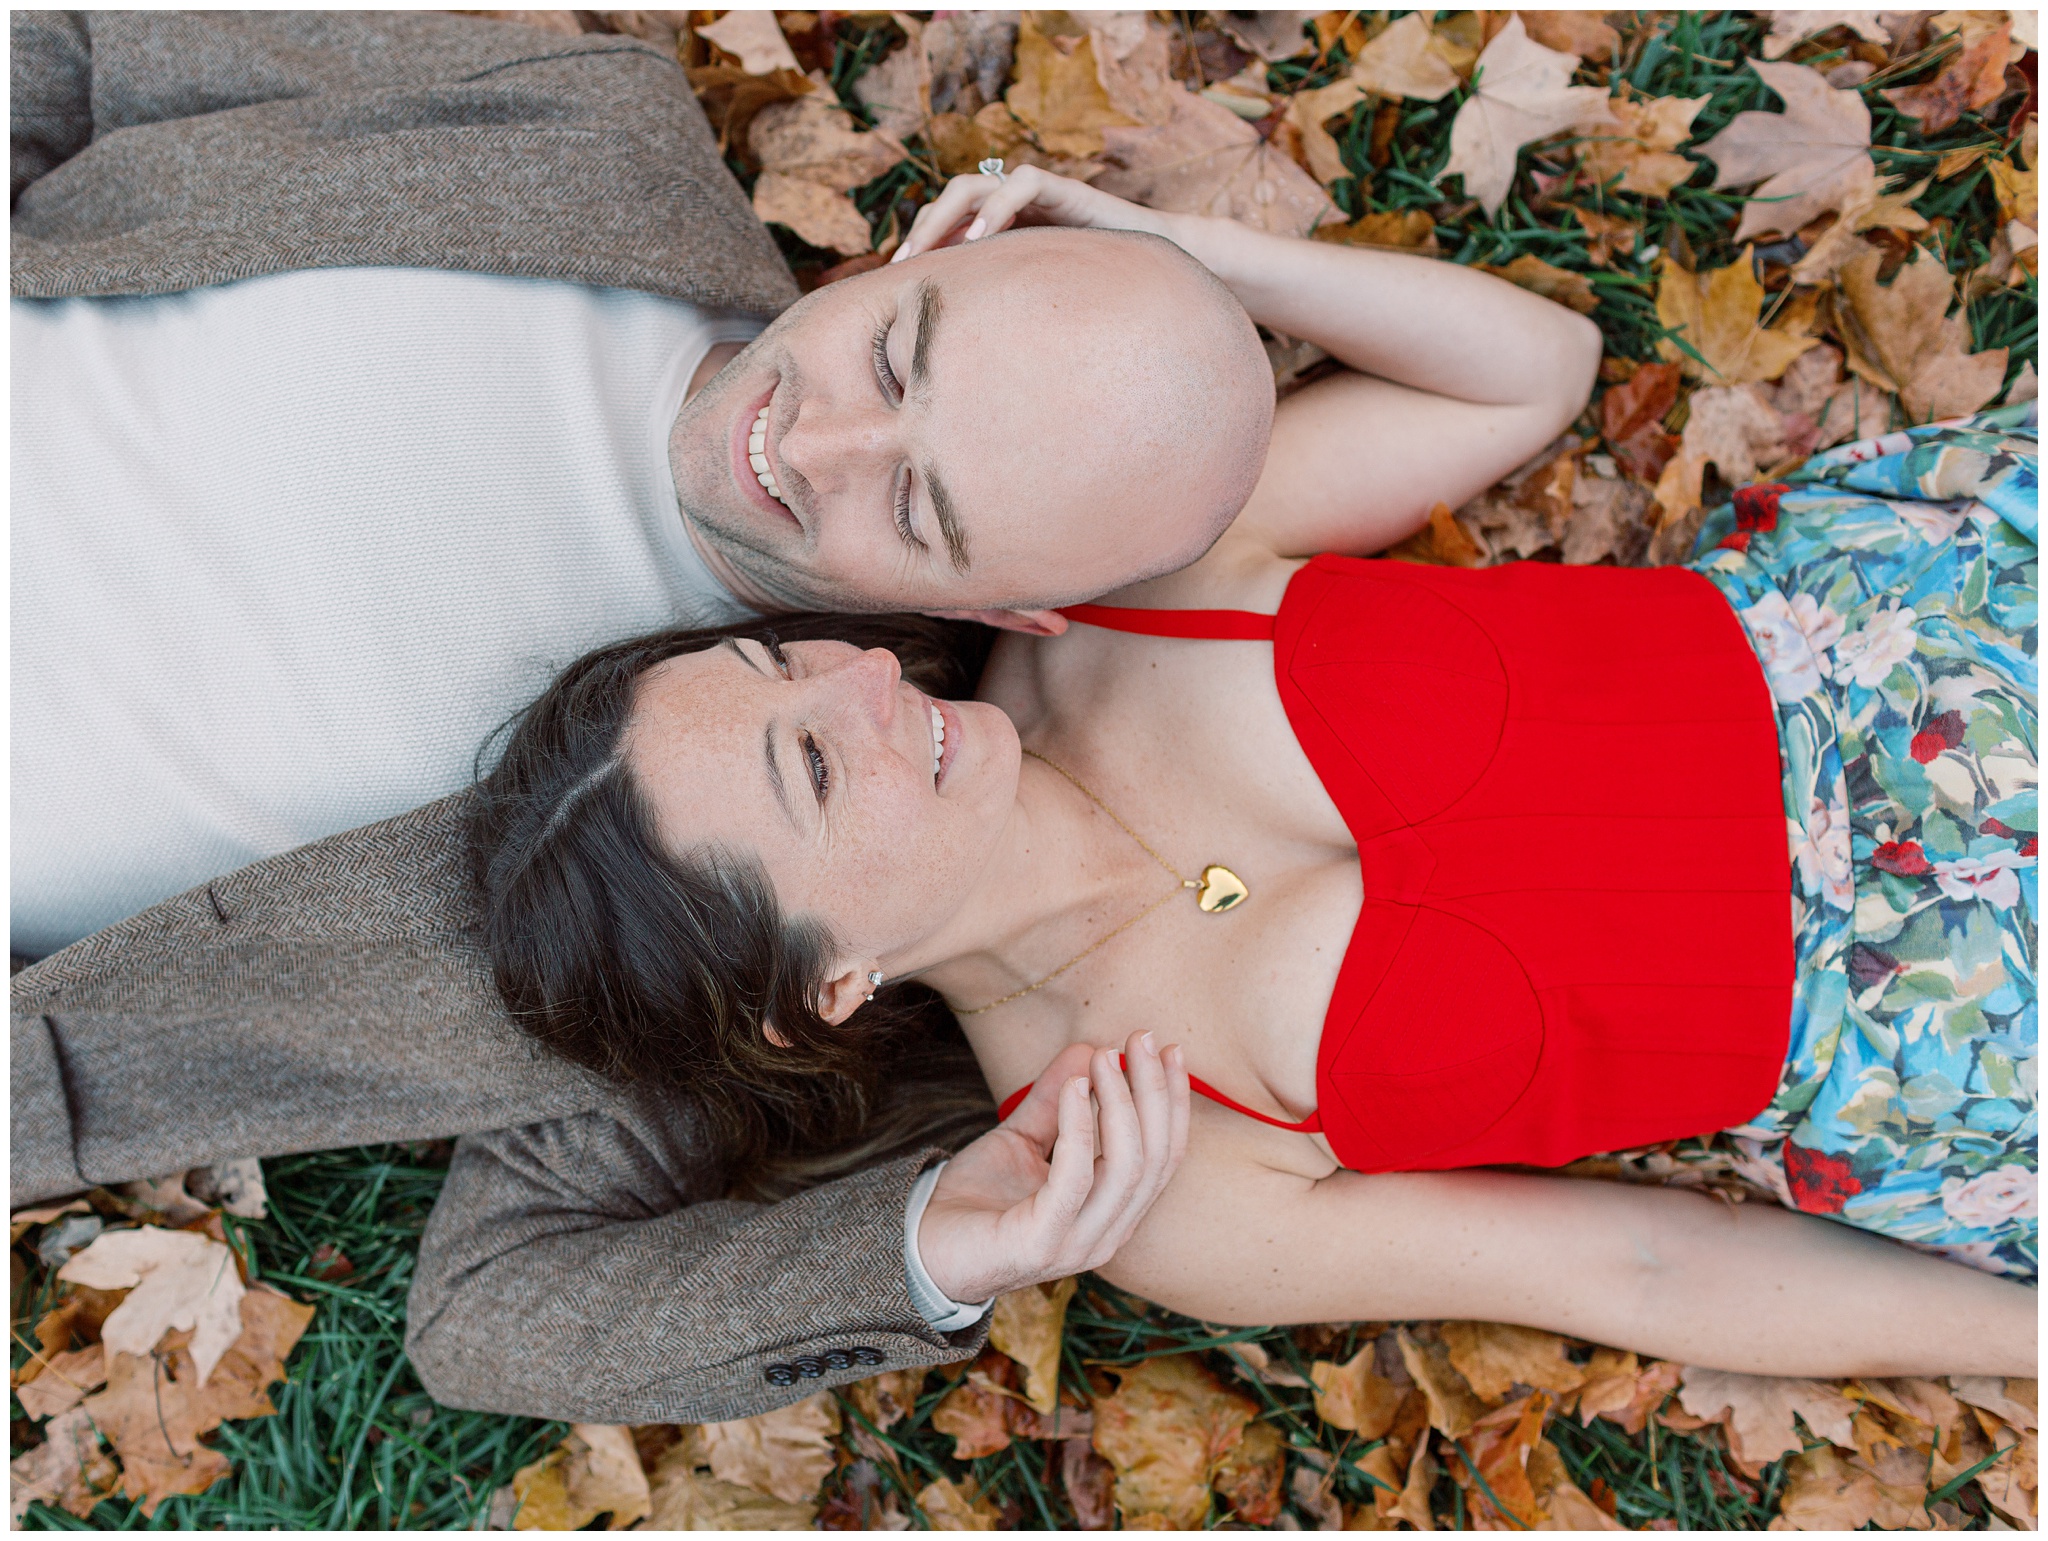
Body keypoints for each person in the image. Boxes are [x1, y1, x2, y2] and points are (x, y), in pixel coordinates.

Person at [446, 168, 2037, 1405]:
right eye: (811, 764)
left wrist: (1182, 257)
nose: (866, 679)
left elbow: (1526, 372)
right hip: (1958, 1025)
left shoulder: (1133, 597)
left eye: (781, 665)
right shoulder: (1162, 1184)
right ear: (832, 987)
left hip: (1925, 650)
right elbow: (1645, 1266)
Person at [11, 9, 1273, 959]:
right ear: (922, 246)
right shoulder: (586, 129)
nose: (812, 446)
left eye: (913, 511)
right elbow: (73, 58)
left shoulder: (752, 834)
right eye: (893, 357)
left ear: (998, 610)